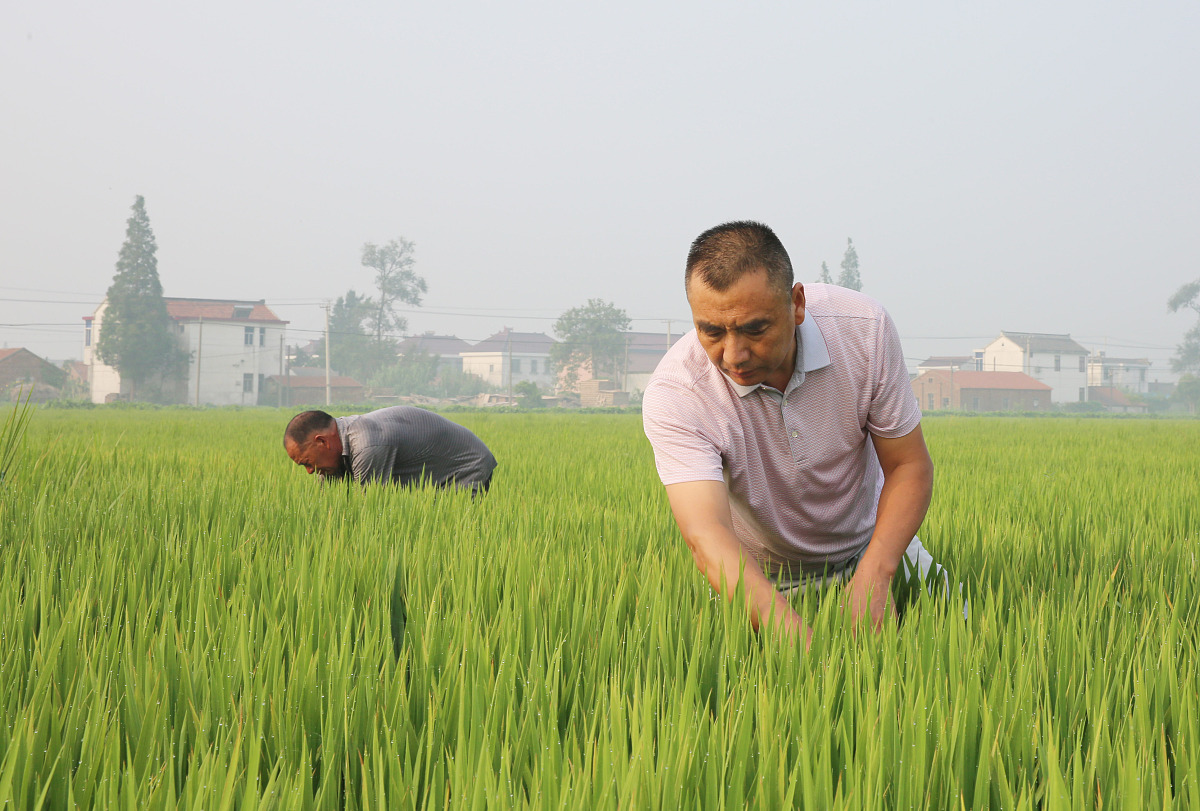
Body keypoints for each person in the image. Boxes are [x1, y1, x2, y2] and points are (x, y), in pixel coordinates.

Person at [643, 221, 954, 647]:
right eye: (711, 331)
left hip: (873, 546)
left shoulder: (863, 331)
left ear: (797, 303)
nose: (733, 355)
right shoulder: (679, 392)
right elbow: (707, 533)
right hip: (763, 577)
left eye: (755, 329)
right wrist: (804, 650)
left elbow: (908, 465)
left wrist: (879, 570)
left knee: (957, 641)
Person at [284, 406, 497, 493]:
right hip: (431, 476)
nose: (310, 471)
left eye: (306, 463)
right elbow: (330, 510)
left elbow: (369, 512)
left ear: (322, 442)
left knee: (453, 535)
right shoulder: (334, 455)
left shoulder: (367, 445)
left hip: (465, 467)